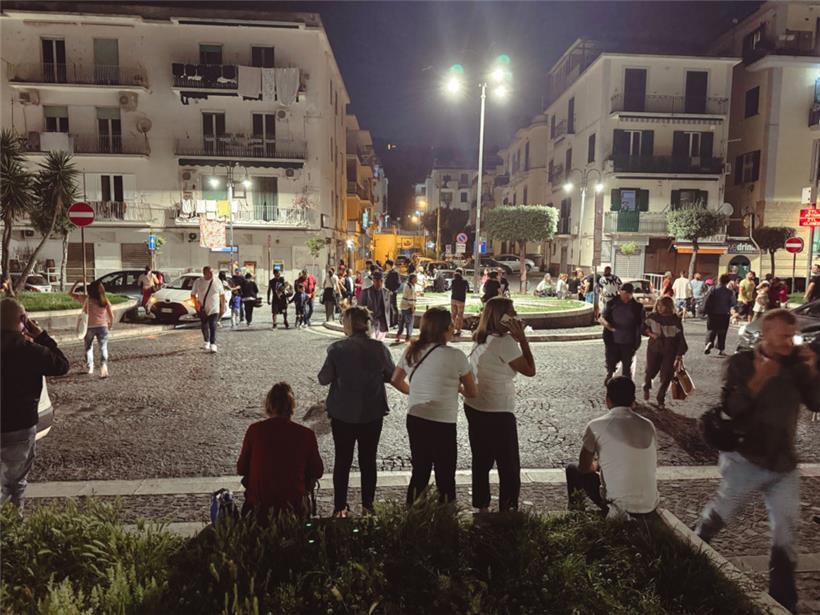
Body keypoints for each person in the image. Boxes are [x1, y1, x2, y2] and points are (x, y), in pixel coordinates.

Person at [695, 309, 820, 613]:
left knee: (786, 531)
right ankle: (690, 554)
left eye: (792, 336)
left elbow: (816, 402)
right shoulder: (741, 364)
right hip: (745, 460)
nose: (789, 343)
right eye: (783, 337)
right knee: (720, 514)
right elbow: (731, 408)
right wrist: (758, 379)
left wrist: (814, 369)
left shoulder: (797, 367)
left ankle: (782, 600)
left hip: (783, 465)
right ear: (766, 336)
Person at [391, 307, 477, 505]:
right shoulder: (456, 356)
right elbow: (472, 391)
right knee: (445, 473)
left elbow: (395, 379)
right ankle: (446, 518)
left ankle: (412, 517)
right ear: (446, 328)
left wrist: (413, 392)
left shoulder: (411, 350)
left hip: (416, 416)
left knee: (420, 470)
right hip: (443, 420)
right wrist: (458, 388)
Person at [318, 307, 398, 516]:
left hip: (342, 413)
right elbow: (391, 375)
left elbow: (323, 378)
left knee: (342, 460)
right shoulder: (379, 348)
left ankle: (340, 507)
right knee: (368, 460)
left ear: (350, 324)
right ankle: (367, 506)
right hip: (372, 412)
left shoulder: (337, 349)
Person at [466, 297, 536, 512]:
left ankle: (481, 505)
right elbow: (530, 370)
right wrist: (522, 339)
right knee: (508, 465)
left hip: (474, 405)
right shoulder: (505, 342)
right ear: (502, 317)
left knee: (481, 459)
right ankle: (508, 508)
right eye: (512, 311)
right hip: (498, 409)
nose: (515, 314)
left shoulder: (480, 338)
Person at [1, 298, 70, 507]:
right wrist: (41, 336)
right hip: (20, 425)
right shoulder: (31, 351)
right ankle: (13, 527)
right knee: (16, 482)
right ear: (23, 320)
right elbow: (62, 365)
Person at [565, 377, 658, 518]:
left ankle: (576, 513)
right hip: (649, 506)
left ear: (607, 399)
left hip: (619, 507)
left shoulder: (596, 426)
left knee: (572, 469)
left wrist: (597, 464)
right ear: (633, 401)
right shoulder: (648, 425)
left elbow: (584, 467)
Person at [237, 382, 324, 522]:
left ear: (269, 405)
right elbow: (317, 471)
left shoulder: (255, 431)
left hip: (259, 506)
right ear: (292, 406)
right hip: (293, 506)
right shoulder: (306, 434)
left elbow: (241, 468)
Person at [642, 296, 688, 409]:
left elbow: (680, 337)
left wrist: (679, 355)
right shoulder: (652, 317)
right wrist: (651, 334)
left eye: (662, 305)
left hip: (670, 350)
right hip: (654, 348)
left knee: (667, 375)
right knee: (650, 370)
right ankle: (646, 387)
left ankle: (660, 399)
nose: (660, 308)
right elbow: (643, 328)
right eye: (658, 305)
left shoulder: (675, 319)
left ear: (668, 306)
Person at [601, 282, 645, 383]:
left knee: (627, 366)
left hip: (629, 341)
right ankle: (610, 377)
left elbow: (642, 322)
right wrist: (608, 326)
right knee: (611, 362)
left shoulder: (637, 307)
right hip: (612, 340)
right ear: (620, 292)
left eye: (628, 296)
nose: (626, 298)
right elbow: (602, 318)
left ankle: (626, 386)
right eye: (624, 295)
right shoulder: (611, 304)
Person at [81, 280, 114, 377]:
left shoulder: (88, 300)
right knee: (103, 348)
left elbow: (83, 312)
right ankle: (103, 366)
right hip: (103, 327)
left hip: (89, 327)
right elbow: (111, 315)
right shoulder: (104, 300)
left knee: (88, 347)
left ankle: (90, 366)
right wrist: (110, 325)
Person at [191, 266, 226, 353]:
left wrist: (223, 306)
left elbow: (222, 295)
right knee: (204, 325)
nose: (211, 274)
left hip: (214, 307)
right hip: (202, 308)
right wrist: (196, 304)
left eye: (212, 272)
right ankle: (206, 341)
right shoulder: (198, 282)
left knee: (213, 325)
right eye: (208, 273)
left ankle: (213, 344)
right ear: (204, 273)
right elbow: (193, 294)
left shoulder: (217, 281)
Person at [704, 273, 736, 357]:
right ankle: (720, 349)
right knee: (722, 332)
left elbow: (706, 299)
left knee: (711, 330)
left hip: (712, 313)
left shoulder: (712, 289)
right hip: (724, 314)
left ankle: (709, 343)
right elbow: (733, 303)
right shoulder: (729, 292)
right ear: (727, 282)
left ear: (718, 280)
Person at [360, 270, 391, 340]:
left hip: (382, 322)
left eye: (380, 281)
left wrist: (388, 324)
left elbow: (387, 310)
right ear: (373, 281)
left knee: (380, 343)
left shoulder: (386, 293)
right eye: (376, 281)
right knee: (372, 340)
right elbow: (361, 308)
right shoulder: (366, 292)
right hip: (370, 322)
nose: (378, 283)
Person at [395, 273, 417, 344]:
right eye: (415, 278)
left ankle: (398, 336)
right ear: (412, 279)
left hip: (404, 306)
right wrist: (412, 307)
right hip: (408, 307)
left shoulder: (408, 285)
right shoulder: (410, 287)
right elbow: (410, 298)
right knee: (409, 323)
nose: (416, 280)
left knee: (402, 322)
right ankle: (407, 338)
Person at [450, 268, 470, 336]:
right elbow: (468, 289)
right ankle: (458, 330)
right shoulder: (465, 281)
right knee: (460, 315)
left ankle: (451, 329)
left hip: (453, 299)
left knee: (453, 315)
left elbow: (451, 288)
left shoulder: (453, 281)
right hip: (461, 300)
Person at [384, 260, 401, 328]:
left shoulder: (395, 273)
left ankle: (396, 322)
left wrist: (393, 290)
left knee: (394, 307)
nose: (386, 266)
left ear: (390, 265)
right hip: (388, 292)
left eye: (387, 265)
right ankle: (391, 322)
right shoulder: (388, 272)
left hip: (392, 292)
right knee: (389, 308)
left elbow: (398, 283)